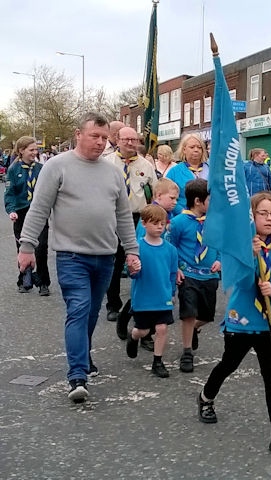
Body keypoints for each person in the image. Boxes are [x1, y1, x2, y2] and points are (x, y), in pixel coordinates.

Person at [17, 112, 141, 403]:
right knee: (79, 308)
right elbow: (39, 209)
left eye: (103, 138)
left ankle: (82, 356)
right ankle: (77, 376)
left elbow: (123, 216)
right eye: (94, 136)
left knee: (91, 312)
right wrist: (26, 247)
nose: (100, 143)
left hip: (106, 256)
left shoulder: (112, 172)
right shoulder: (57, 167)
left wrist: (132, 250)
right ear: (78, 134)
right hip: (72, 256)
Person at [196, 192, 271, 455]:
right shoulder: (238, 246)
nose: (269, 219)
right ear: (251, 216)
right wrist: (250, 257)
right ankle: (205, 397)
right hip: (242, 322)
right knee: (228, 365)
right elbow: (238, 284)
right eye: (263, 213)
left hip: (268, 323)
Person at [104, 127, 157, 329]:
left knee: (141, 258)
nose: (130, 143)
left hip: (139, 216)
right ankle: (113, 304)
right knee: (115, 261)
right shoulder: (106, 163)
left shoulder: (145, 165)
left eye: (134, 139)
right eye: (126, 139)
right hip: (114, 216)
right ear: (117, 140)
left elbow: (154, 190)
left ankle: (143, 302)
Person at [116, 178, 180, 341]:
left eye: (176, 199)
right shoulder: (150, 215)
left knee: (152, 294)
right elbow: (139, 239)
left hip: (162, 259)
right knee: (141, 297)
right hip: (146, 260)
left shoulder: (170, 214)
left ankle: (135, 325)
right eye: (172, 198)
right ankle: (136, 329)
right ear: (158, 195)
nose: (175, 202)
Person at [169, 179, 221, 373]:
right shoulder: (178, 222)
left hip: (210, 276)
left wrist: (221, 260)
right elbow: (170, 246)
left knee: (207, 315)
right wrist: (176, 268)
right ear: (198, 201)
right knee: (188, 313)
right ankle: (187, 351)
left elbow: (221, 243)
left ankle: (195, 330)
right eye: (210, 199)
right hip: (188, 274)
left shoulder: (213, 221)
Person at [125, 205, 178, 378]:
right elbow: (132, 274)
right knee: (143, 330)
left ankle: (158, 361)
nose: (159, 227)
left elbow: (172, 273)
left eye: (162, 223)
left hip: (163, 297)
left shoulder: (170, 249)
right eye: (155, 223)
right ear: (144, 223)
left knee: (162, 328)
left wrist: (172, 292)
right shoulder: (137, 247)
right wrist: (133, 269)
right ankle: (133, 337)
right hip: (143, 298)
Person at [4, 136, 51, 295]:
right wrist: (11, 210)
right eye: (31, 150)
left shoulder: (41, 168)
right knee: (22, 248)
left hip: (39, 212)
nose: (35, 152)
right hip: (21, 213)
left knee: (41, 248)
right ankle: (24, 279)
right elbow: (10, 193)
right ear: (21, 150)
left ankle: (43, 282)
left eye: (36, 149)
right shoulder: (13, 169)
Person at [166, 133, 209, 216]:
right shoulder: (174, 172)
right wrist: (182, 212)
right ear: (184, 149)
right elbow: (167, 196)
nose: (196, 150)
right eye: (192, 147)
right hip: (183, 218)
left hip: (208, 218)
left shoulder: (211, 169)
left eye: (199, 147)